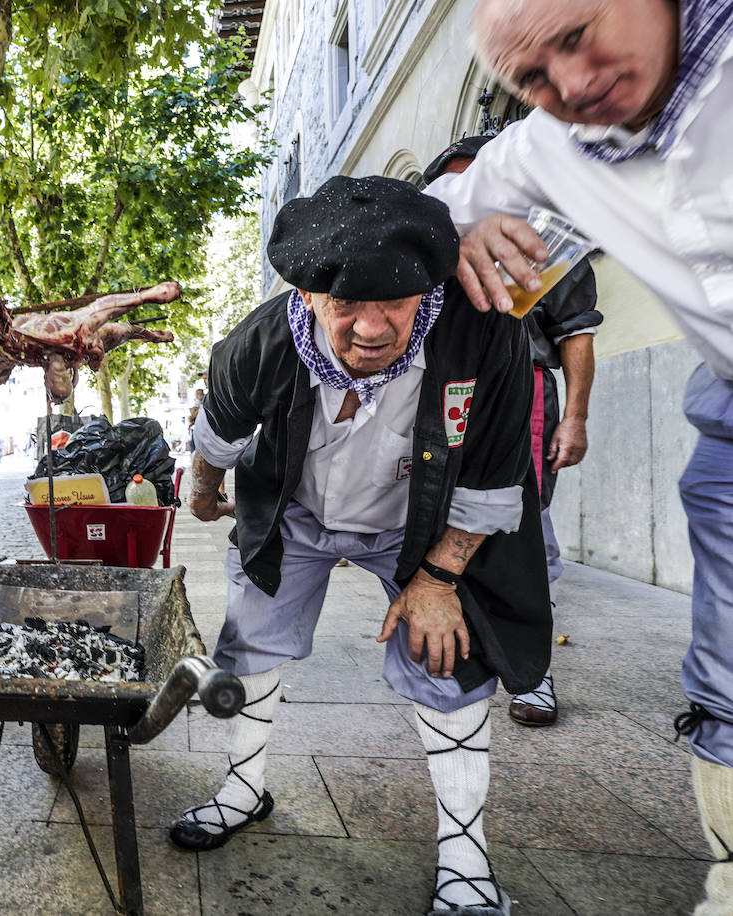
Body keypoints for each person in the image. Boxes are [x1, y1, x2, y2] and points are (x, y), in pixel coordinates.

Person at [172, 176, 549, 916]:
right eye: (347, 304)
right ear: (309, 296)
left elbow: (497, 477)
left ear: (427, 289)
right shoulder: (264, 338)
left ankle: (465, 854)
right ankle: (243, 791)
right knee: (249, 647)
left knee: (447, 657)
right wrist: (203, 489)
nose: (372, 328)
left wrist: (439, 580)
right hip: (296, 510)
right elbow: (218, 428)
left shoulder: (486, 336)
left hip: (421, 526)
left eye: (395, 303)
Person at [430, 1, 733, 907]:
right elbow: (424, 212)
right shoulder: (549, 152)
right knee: (724, 681)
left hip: (537, 410)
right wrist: (457, 233)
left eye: (577, 33)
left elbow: (579, 341)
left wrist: (574, 416)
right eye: (531, 77)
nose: (569, 84)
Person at [424, 136, 604, 727]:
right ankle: (446, 640)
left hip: (522, 390)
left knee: (523, 522)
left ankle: (533, 673)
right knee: (435, 513)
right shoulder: (426, 245)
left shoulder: (544, 243)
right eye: (457, 185)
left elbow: (577, 332)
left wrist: (574, 417)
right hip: (440, 389)